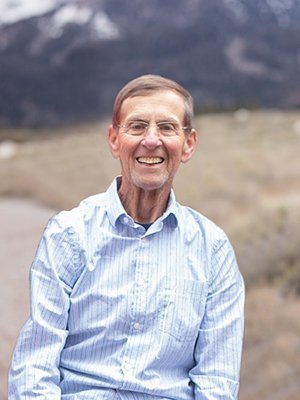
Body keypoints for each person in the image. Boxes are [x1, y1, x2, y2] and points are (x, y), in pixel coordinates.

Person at [8, 74, 245, 399]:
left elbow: (217, 381)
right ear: (114, 139)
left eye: (166, 127)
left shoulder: (212, 250)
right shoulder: (69, 235)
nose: (151, 140)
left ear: (188, 144)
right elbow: (34, 369)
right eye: (137, 126)